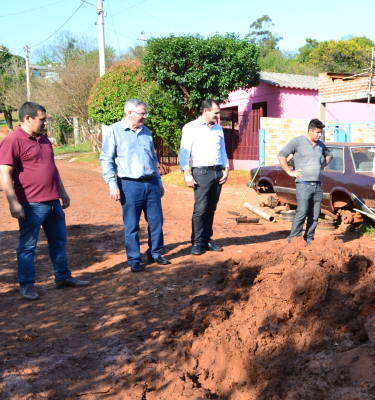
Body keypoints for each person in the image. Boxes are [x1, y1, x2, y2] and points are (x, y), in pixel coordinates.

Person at [0, 102, 90, 299]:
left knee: (58, 241)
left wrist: (62, 192)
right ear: (28, 118)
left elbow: (52, 168)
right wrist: (13, 202)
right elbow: (4, 173)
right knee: (27, 246)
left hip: (52, 201)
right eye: (42, 119)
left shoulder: (44, 139)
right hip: (30, 204)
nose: (45, 123)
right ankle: (27, 285)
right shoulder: (12, 141)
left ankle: (63, 277)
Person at [100, 98, 168, 272]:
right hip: (129, 185)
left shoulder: (146, 132)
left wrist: (158, 181)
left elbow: (153, 159)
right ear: (129, 113)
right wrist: (112, 184)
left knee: (156, 221)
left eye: (145, 113)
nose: (145, 117)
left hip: (151, 183)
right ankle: (134, 259)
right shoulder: (114, 131)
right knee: (132, 225)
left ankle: (155, 253)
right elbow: (106, 159)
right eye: (142, 113)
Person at [179, 99, 229, 255]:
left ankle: (207, 240)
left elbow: (223, 151)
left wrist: (226, 169)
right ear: (206, 111)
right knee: (200, 209)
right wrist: (187, 173)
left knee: (211, 208)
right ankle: (197, 242)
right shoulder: (191, 128)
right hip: (201, 172)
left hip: (217, 172)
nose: (218, 116)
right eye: (216, 113)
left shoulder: (218, 129)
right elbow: (184, 151)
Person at [278, 119, 331, 245]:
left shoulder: (320, 145)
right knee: (302, 212)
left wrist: (321, 166)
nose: (320, 135)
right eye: (318, 132)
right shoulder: (297, 142)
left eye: (321, 133)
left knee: (314, 215)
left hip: (317, 185)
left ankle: (308, 240)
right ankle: (294, 241)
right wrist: (290, 172)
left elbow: (329, 155)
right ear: (310, 130)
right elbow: (281, 155)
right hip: (303, 184)